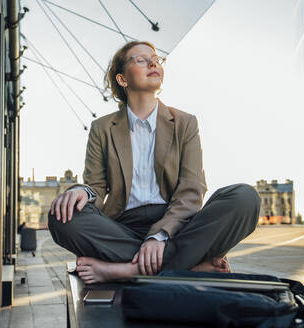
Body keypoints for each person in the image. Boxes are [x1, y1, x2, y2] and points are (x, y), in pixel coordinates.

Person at [48, 41, 261, 284]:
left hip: (177, 226)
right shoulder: (102, 128)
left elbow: (191, 190)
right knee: (61, 216)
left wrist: (158, 237)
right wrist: (79, 192)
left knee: (245, 198)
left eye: (156, 59)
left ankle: (126, 271)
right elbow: (95, 186)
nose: (153, 63)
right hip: (122, 229)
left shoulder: (185, 123)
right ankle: (186, 267)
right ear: (122, 79)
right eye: (140, 60)